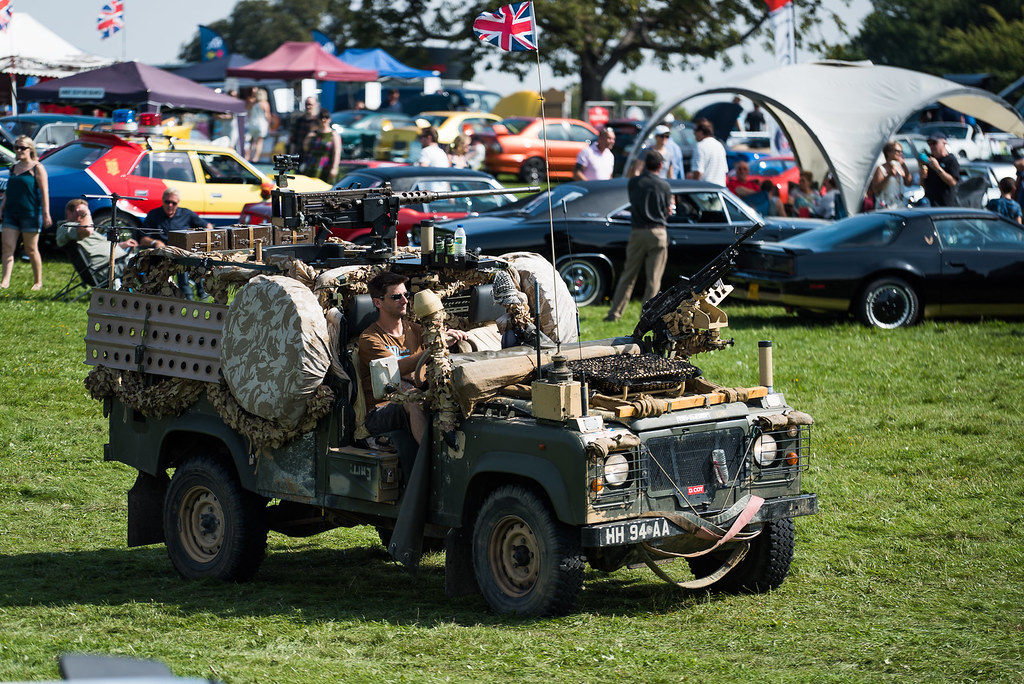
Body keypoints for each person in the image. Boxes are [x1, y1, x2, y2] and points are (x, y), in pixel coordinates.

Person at [357, 272, 467, 449]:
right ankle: (432, 459)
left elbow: (436, 341)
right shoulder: (370, 338)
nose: (405, 301)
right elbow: (394, 370)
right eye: (396, 297)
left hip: (419, 393)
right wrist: (433, 349)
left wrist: (449, 338)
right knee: (413, 401)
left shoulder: (415, 330)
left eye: (406, 295)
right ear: (378, 303)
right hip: (382, 409)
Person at [604, 149, 674, 322]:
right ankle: (647, 315)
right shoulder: (664, 186)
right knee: (654, 279)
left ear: (645, 164)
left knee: (628, 275)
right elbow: (668, 210)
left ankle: (615, 313)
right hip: (658, 231)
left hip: (637, 231)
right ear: (660, 165)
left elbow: (631, 176)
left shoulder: (634, 183)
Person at [1, 136, 51, 290]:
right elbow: (9, 192)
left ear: (31, 149)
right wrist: (1, 208)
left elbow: (44, 191)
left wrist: (46, 213)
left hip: (30, 213)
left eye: (22, 148)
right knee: (7, 248)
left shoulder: (37, 168)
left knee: (30, 249)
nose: (19, 151)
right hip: (11, 212)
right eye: (16, 147)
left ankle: (38, 282)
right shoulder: (13, 168)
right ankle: (5, 281)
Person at [56, 199, 138, 284]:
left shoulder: (78, 228)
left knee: (146, 258)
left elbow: (97, 245)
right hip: (107, 269)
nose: (82, 215)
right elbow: (87, 230)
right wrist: (86, 213)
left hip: (119, 262)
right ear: (69, 212)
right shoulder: (66, 227)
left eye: (83, 212)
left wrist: (121, 245)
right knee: (146, 262)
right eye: (80, 212)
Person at [301, 109, 342, 182]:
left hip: (326, 166)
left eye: (326, 117)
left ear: (329, 119)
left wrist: (334, 168)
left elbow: (337, 152)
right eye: (321, 118)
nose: (323, 120)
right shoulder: (314, 133)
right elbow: (306, 149)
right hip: (312, 165)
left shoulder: (333, 134)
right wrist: (307, 138)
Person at [870, 140, 912, 210]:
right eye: (897, 151)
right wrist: (888, 176)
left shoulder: (899, 168)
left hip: (900, 207)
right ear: (888, 153)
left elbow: (908, 183)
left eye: (901, 151)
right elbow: (876, 190)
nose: (900, 153)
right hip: (885, 208)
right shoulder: (881, 169)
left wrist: (903, 165)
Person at [921, 132, 959, 207]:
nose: (932, 146)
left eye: (934, 143)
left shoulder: (951, 160)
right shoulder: (929, 159)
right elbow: (923, 185)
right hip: (930, 205)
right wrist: (922, 175)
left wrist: (937, 168)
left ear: (944, 143)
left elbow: (953, 182)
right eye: (929, 144)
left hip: (945, 206)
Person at [687, 119, 728, 187]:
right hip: (720, 190)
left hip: (705, 191)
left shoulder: (700, 146)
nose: (694, 133)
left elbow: (698, 173)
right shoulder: (719, 145)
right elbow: (724, 171)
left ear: (701, 131)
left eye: (695, 130)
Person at [245, 88, 271, 163]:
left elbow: (248, 113)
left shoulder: (252, 103)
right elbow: (267, 115)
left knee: (251, 141)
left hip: (252, 123)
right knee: (259, 142)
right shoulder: (265, 103)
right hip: (261, 124)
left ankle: (247, 156)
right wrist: (269, 125)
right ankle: (255, 158)